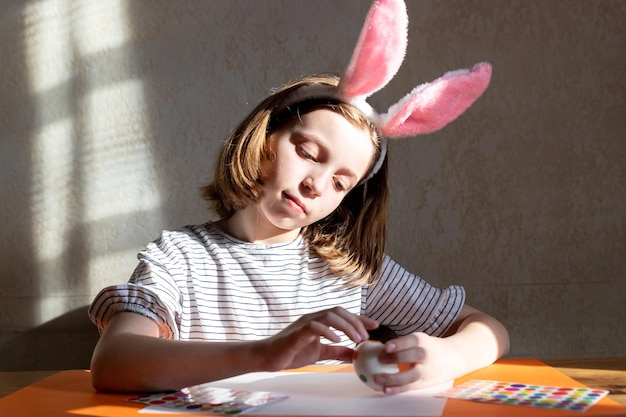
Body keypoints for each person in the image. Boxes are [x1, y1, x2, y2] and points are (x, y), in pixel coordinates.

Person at [88, 0, 509, 396]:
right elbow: (112, 362)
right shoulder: (179, 258)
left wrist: (447, 356)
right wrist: (267, 354)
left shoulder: (354, 271)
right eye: (307, 153)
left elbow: (488, 329)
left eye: (341, 183)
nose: (316, 184)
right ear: (264, 136)